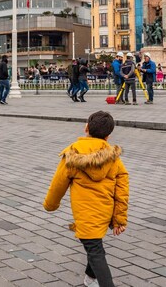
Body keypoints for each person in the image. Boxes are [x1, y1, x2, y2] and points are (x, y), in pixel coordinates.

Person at [43, 111, 128, 287]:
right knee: (94, 244)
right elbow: (122, 189)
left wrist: (50, 205)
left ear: (86, 128)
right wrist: (119, 218)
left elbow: (58, 183)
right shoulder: (114, 158)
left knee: (96, 250)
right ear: (108, 135)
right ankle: (90, 278)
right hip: (105, 212)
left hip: (85, 215)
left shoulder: (73, 154)